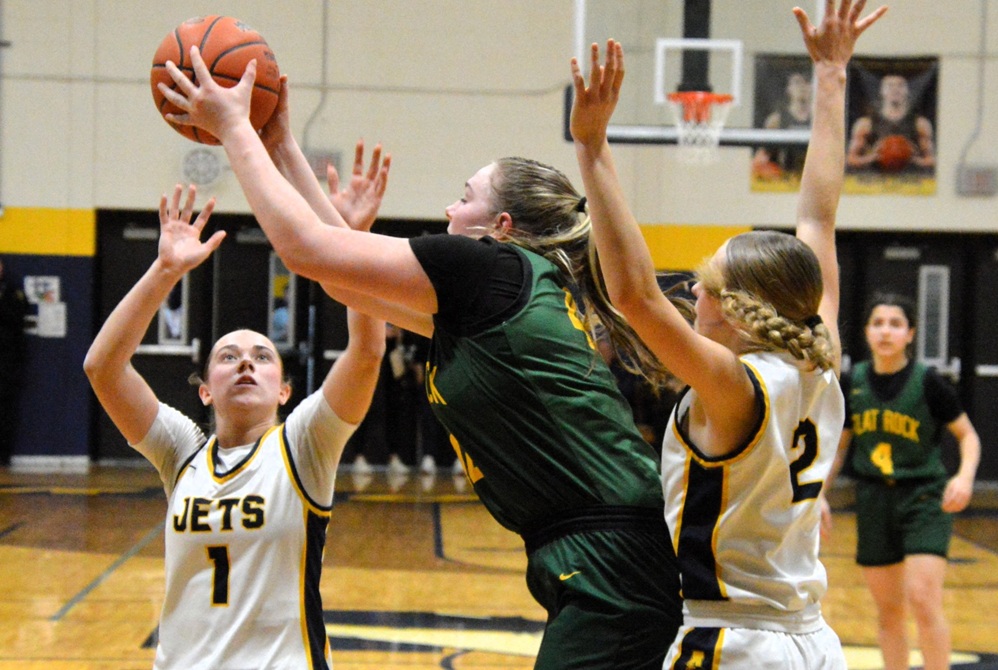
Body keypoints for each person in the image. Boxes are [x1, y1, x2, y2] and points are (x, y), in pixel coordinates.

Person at [158, 50, 683, 670]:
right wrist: (279, 145)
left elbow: (306, 250)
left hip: (611, 559)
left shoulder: (491, 270)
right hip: (598, 553)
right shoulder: (503, 295)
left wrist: (235, 129)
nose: (448, 212)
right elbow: (348, 284)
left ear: (500, 227)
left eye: (464, 198)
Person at [570, 1, 885, 667]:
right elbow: (819, 220)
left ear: (739, 313)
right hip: (814, 642)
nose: (692, 292)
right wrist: (831, 75)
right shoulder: (816, 356)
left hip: (739, 642)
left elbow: (632, 294)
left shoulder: (734, 386)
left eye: (706, 283)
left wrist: (593, 151)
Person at [83, 182, 387, 669]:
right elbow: (103, 368)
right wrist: (165, 271)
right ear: (205, 389)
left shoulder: (304, 444)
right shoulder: (180, 451)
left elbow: (367, 352)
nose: (246, 363)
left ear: (285, 391)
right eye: (228, 357)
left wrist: (356, 241)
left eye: (262, 357)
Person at [820, 293, 980, 670]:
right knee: (888, 610)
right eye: (878, 323)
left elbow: (969, 436)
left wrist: (965, 477)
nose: (885, 331)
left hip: (924, 497)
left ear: (910, 334)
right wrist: (820, 494)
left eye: (895, 324)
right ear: (866, 332)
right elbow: (838, 449)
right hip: (874, 499)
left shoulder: (928, 383)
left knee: (923, 598)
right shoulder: (853, 381)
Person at [846, 72, 935, 172]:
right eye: (890, 86)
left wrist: (913, 159)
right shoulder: (865, 124)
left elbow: (932, 160)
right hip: (875, 181)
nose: (895, 89)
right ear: (882, 91)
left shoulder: (920, 124)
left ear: (907, 91)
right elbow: (850, 159)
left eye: (900, 85)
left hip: (910, 180)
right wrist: (872, 157)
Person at [752, 69, 813, 179]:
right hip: (786, 180)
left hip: (813, 180)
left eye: (807, 82)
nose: (802, 86)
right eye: (797, 82)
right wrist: (774, 173)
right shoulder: (776, 120)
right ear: (788, 89)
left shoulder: (819, 120)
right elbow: (759, 160)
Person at [0, 256, 28, 466]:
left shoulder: (12, 289)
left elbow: (18, 317)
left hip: (7, 362)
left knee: (6, 411)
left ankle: (3, 455)